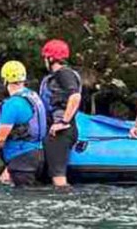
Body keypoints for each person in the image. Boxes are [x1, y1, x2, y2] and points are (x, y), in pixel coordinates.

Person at [39, 39, 81, 187]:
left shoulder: (63, 74)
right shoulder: (60, 75)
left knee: (58, 178)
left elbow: (75, 96)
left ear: (50, 58)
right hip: (57, 130)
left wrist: (63, 122)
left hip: (61, 133)